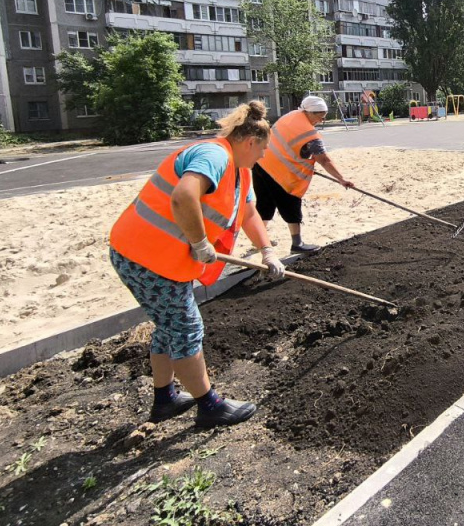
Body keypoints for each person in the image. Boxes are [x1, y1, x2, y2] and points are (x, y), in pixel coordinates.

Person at [109, 101, 285, 428]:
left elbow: (248, 214)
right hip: (145, 257)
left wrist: (267, 251)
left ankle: (164, 400)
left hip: (161, 260)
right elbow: (183, 196)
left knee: (169, 325)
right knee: (187, 328)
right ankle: (209, 405)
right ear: (249, 143)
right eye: (263, 149)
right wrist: (200, 242)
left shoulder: (241, 172)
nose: (264, 156)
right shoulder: (215, 156)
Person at [253, 95, 354, 253]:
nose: (321, 121)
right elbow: (324, 160)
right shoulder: (309, 134)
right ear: (310, 112)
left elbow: (287, 143)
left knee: (265, 203)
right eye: (320, 117)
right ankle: (297, 244)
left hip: (261, 163)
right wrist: (342, 179)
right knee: (291, 204)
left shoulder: (289, 116)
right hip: (281, 174)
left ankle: (258, 239)